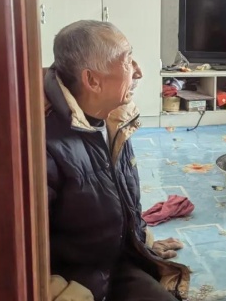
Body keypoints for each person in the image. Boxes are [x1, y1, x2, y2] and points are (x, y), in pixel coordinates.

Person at [44, 20, 190, 301]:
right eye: (127, 60)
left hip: (114, 266)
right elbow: (18, 253)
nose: (139, 71)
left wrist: (142, 241)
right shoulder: (43, 144)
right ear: (92, 80)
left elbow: (121, 196)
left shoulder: (114, 119)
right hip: (77, 284)